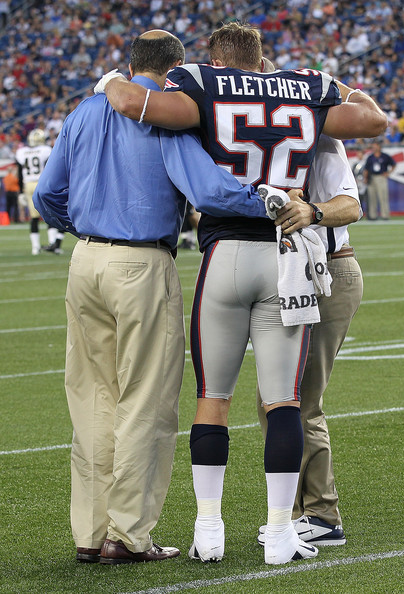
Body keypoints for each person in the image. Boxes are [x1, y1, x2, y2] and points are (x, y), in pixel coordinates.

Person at [97, 22, 386, 565]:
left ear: (216, 58)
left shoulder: (204, 82)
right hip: (287, 256)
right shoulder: (305, 88)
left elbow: (137, 103)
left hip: (227, 251)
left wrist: (110, 79)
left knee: (214, 397)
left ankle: (210, 529)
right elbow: (373, 118)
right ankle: (280, 533)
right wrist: (334, 85)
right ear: (262, 59)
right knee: (285, 402)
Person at [33, 30, 269, 566]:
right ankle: (129, 536)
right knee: (147, 402)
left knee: (92, 399)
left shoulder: (84, 112)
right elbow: (209, 192)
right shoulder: (161, 116)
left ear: (132, 63)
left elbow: (46, 193)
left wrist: (88, 230)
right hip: (141, 263)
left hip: (85, 260)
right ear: (175, 71)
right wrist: (268, 201)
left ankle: (90, 535)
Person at [256, 134, 363, 549]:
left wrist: (313, 210)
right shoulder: (268, 140)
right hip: (293, 274)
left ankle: (321, 513)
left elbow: (351, 204)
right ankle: (300, 512)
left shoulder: (319, 142)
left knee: (298, 397)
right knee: (277, 399)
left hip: (328, 273)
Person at [15, 129, 53, 254]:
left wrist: (21, 191)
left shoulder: (22, 152)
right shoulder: (45, 150)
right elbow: (50, 169)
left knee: (34, 217)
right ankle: (53, 244)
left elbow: (20, 173)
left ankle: (35, 248)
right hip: (41, 183)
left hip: (28, 185)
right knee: (50, 214)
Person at [363, 140, 396, 220]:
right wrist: (365, 178)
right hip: (372, 177)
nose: (374, 148)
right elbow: (366, 169)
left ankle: (385, 215)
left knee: (383, 197)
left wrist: (388, 173)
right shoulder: (370, 157)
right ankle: (373, 215)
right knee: (372, 197)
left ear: (379, 147)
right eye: (373, 146)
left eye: (375, 146)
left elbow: (393, 164)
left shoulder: (385, 156)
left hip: (381, 177)